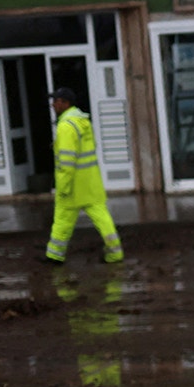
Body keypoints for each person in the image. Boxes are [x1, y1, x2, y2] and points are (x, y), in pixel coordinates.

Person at [41, 87, 123, 264]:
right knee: (102, 218)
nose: (53, 104)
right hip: (90, 182)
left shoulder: (65, 126)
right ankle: (115, 253)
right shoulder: (82, 122)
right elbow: (89, 148)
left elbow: (67, 162)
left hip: (72, 185)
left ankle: (54, 256)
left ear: (65, 103)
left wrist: (62, 187)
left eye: (56, 101)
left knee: (62, 219)